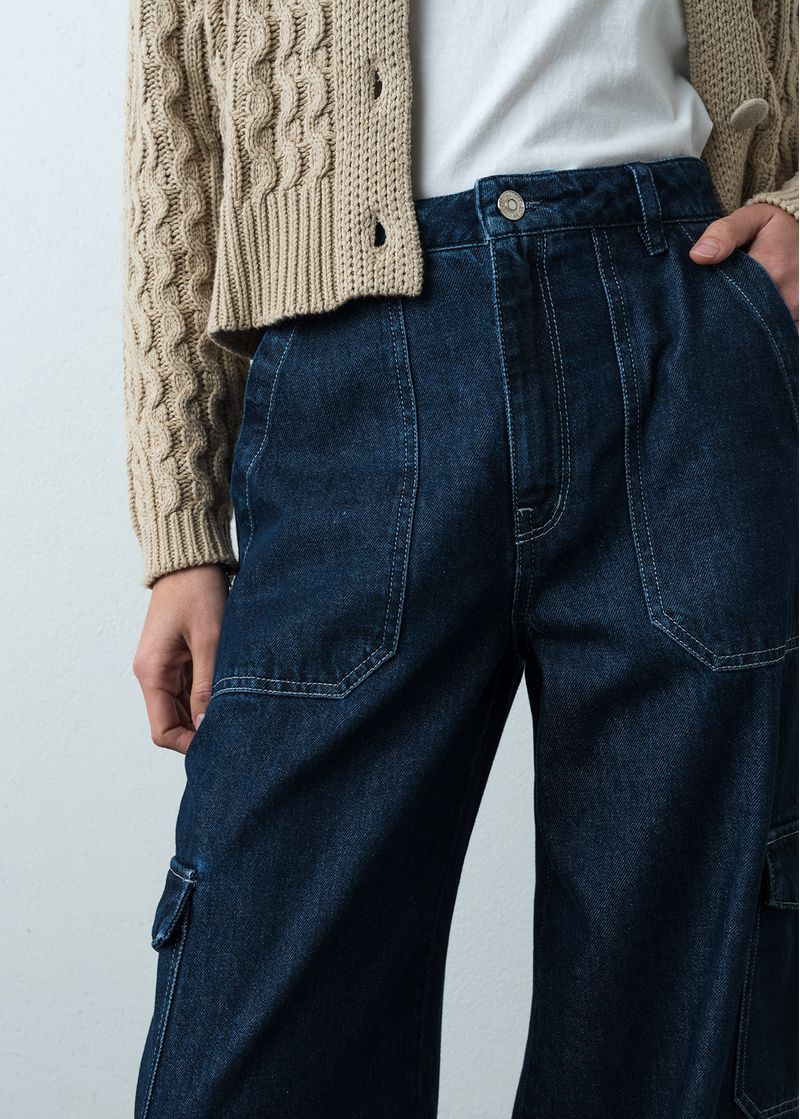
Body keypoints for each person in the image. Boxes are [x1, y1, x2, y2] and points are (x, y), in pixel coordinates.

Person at [123, 1, 799, 1116]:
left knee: (680, 1024)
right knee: (258, 1022)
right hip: (349, 369)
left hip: (677, 316)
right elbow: (177, 121)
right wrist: (180, 532)